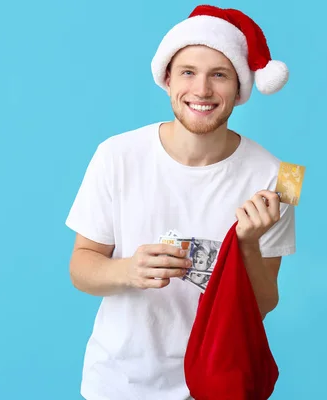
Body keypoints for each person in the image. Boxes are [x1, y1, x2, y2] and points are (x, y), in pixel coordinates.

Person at [65, 5, 296, 400]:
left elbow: (265, 304)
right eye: (188, 72)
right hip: (117, 384)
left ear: (239, 89)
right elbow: (80, 268)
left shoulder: (280, 178)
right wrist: (127, 270)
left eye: (219, 75)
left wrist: (247, 244)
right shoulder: (115, 154)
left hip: (216, 386)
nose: (202, 91)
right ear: (167, 79)